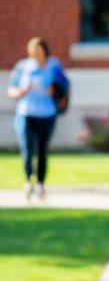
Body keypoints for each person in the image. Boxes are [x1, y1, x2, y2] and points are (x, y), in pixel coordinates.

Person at [7, 37, 68, 201]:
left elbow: (65, 86)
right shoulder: (23, 66)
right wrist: (21, 92)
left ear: (44, 51)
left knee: (42, 149)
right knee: (27, 147)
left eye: (38, 51)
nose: (36, 55)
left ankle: (40, 183)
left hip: (47, 113)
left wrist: (55, 92)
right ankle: (28, 180)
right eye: (33, 52)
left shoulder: (53, 65)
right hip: (26, 112)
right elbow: (11, 90)